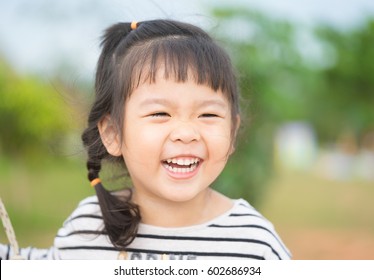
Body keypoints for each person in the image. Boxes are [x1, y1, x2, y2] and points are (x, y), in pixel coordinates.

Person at [0, 19, 291, 260]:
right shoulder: (89, 227)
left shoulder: (253, 244)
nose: (187, 133)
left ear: (233, 131)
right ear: (113, 134)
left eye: (208, 115)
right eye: (161, 113)